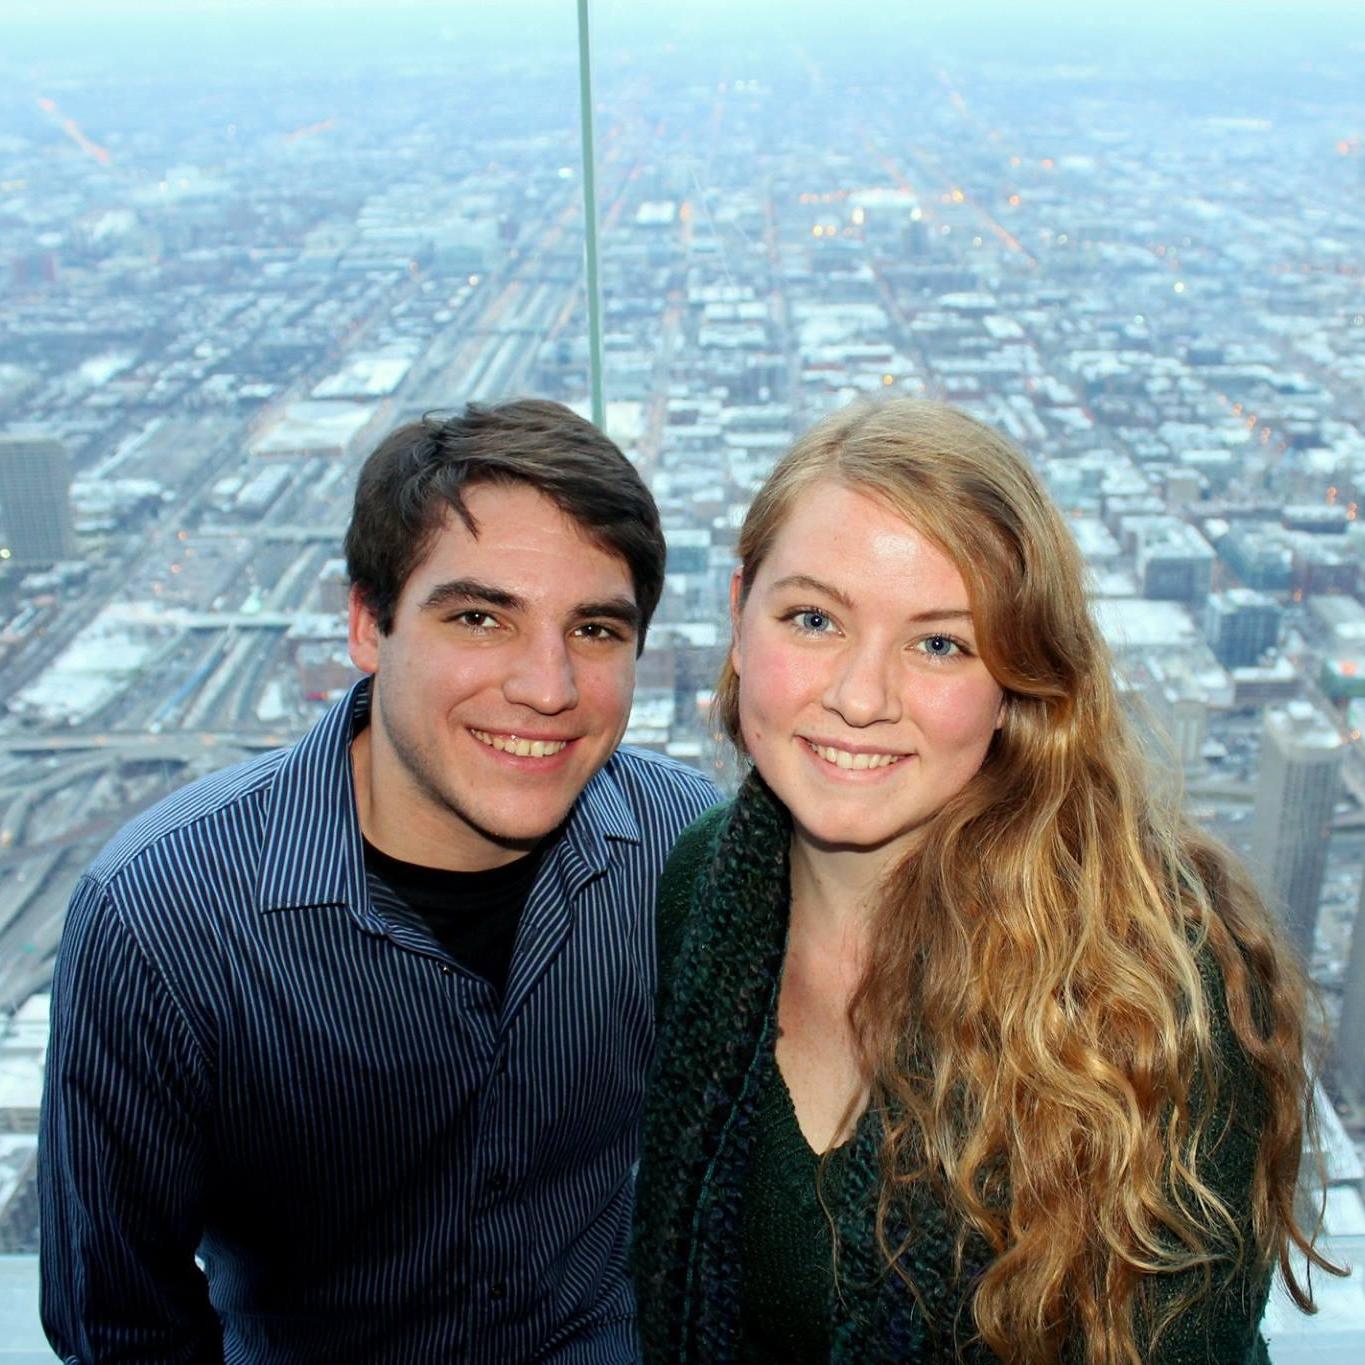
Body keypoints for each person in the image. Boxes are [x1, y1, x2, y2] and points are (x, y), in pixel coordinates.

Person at [633, 398, 1338, 1363]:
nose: (858, 696)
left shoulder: (1156, 991)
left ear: (1017, 678)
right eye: (812, 617)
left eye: (939, 643)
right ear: (739, 612)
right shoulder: (703, 887)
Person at [39, 399, 719, 1364]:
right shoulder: (164, 918)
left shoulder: (679, 848)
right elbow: (121, 1322)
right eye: (480, 617)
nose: (548, 685)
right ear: (367, 624)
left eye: (596, 629)